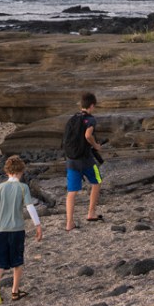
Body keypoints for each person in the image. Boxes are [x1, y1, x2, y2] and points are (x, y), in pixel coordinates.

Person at [0, 155, 42, 304]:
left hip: (2, 230)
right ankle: (15, 292)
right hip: (17, 230)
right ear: (21, 172)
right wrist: (38, 225)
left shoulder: (0, 187)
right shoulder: (22, 187)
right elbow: (30, 207)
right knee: (17, 262)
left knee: (1, 262)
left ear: (7, 172)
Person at [65, 92, 104, 232]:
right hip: (86, 160)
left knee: (72, 191)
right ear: (92, 105)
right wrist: (96, 146)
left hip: (71, 160)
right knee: (97, 181)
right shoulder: (90, 120)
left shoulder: (72, 119)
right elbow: (88, 135)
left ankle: (69, 223)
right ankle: (91, 213)